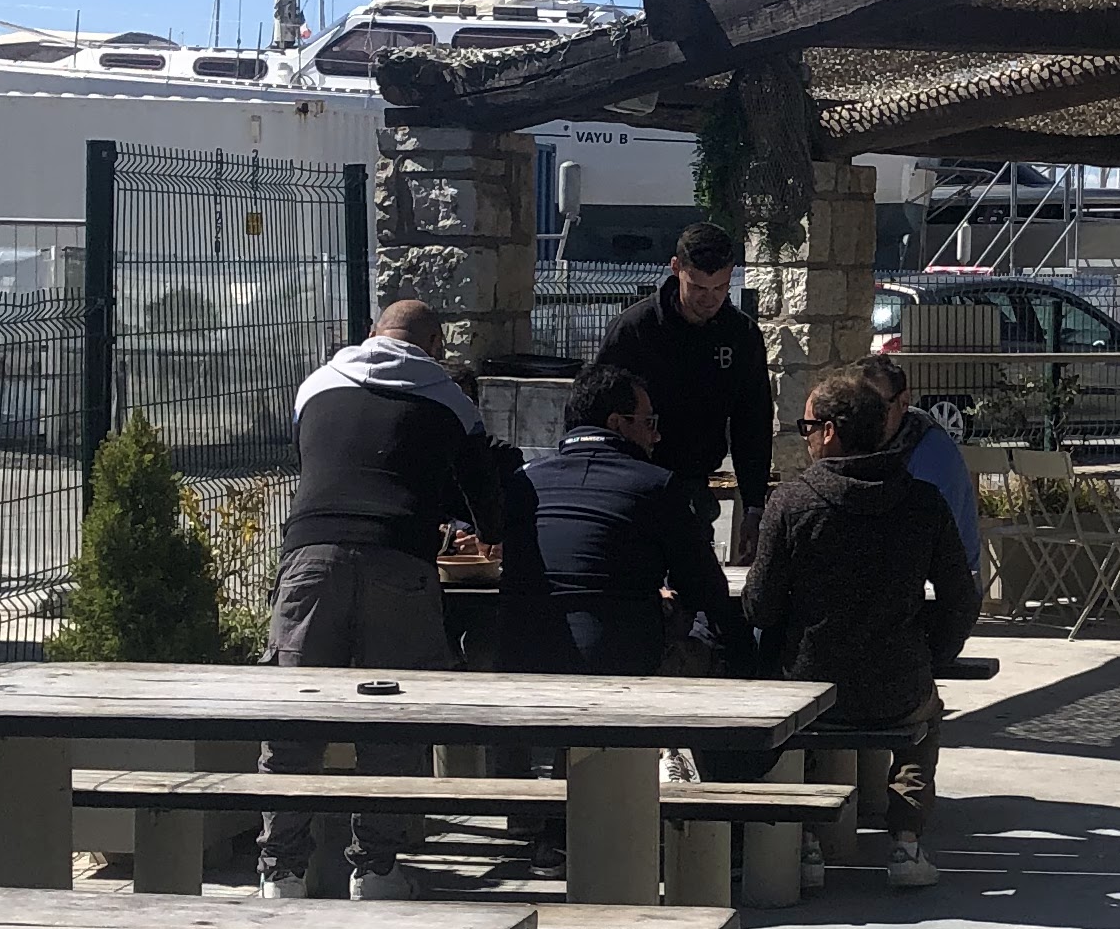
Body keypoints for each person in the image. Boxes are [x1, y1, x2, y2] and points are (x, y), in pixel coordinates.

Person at [258, 298, 521, 898]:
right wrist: (480, 529)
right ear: (436, 347)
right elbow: (486, 506)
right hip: (400, 561)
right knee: (391, 726)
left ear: (371, 332)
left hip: (310, 558)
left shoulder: (317, 385)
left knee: (293, 720)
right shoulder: (451, 400)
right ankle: (375, 870)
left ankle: (281, 871)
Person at [742, 364, 975, 891]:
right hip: (898, 685)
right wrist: (933, 654)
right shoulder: (923, 501)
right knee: (925, 722)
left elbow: (759, 605)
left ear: (829, 432)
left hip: (809, 688)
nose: (804, 439)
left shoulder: (792, 502)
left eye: (807, 428)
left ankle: (805, 841)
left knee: (793, 730)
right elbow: (961, 598)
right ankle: (906, 840)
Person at [526, 359, 758, 677]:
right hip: (620, 667)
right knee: (724, 641)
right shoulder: (654, 485)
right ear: (617, 423)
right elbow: (706, 588)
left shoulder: (525, 481)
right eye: (649, 422)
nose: (657, 436)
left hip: (523, 659)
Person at [596, 221, 778, 562]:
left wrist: (754, 505)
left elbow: (752, 423)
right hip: (630, 481)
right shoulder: (635, 329)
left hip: (693, 485)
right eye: (698, 287)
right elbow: (593, 408)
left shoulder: (740, 335)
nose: (709, 299)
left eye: (720, 287)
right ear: (676, 268)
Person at [862, 348, 983, 591]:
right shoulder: (871, 438)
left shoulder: (931, 450)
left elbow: (923, 544)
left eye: (878, 406)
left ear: (904, 401)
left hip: (942, 587)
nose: (868, 416)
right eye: (860, 405)